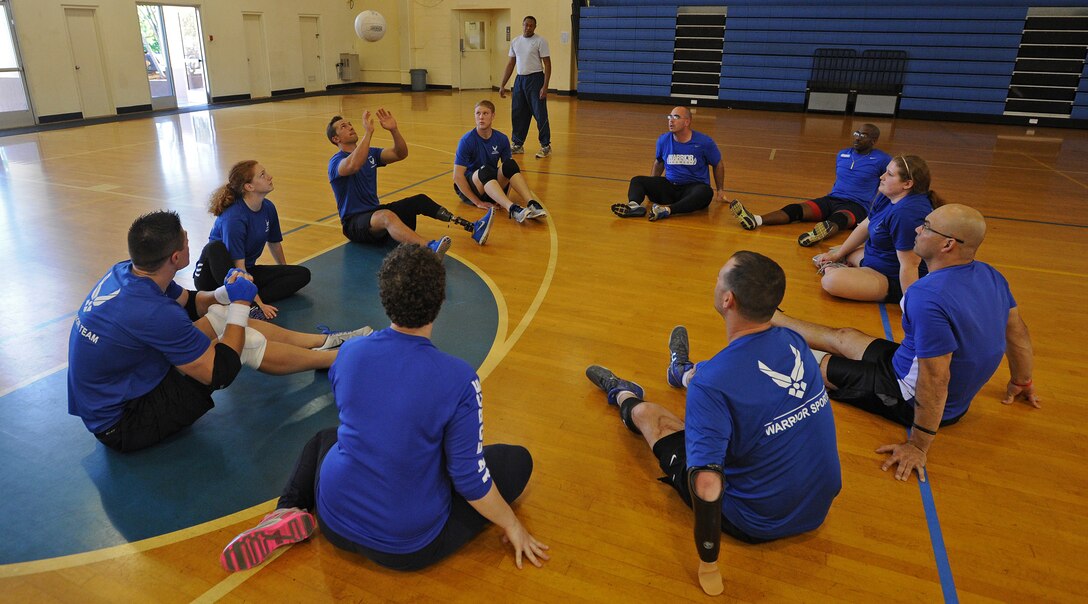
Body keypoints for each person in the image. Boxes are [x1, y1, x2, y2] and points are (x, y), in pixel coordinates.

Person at [220, 244, 549, 573]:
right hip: (405, 546)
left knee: (325, 437)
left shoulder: (349, 354)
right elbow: (469, 479)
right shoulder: (459, 379)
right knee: (516, 461)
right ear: (440, 301)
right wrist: (513, 526)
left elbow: (372, 416)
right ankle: (299, 512)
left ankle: (288, 509)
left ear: (385, 298)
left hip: (334, 519)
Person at [585, 251, 841, 596]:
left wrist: (709, 561)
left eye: (719, 277)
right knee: (718, 391)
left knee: (654, 419)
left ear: (727, 299)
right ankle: (682, 372)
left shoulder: (713, 383)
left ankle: (622, 394)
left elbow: (706, 486)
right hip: (817, 508)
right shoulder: (793, 342)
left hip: (754, 521)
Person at [771, 204, 1040, 483]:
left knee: (796, 359)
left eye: (926, 226)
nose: (917, 229)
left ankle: (760, 333)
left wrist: (918, 445)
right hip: (905, 364)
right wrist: (1022, 380)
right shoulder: (990, 275)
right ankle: (771, 318)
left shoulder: (927, 296)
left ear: (948, 244)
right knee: (844, 336)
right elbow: (1017, 332)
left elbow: (936, 377)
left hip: (907, 396)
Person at [68, 211, 372, 453]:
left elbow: (189, 302)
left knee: (220, 314)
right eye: (185, 240)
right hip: (124, 423)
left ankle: (327, 342)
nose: (190, 241)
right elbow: (219, 373)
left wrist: (226, 294)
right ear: (175, 257)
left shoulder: (128, 272)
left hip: (122, 388)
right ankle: (341, 358)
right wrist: (242, 303)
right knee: (245, 341)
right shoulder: (151, 311)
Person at [327, 109, 494, 252]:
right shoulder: (336, 162)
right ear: (336, 139)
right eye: (343, 126)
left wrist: (394, 130)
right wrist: (368, 133)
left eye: (349, 124)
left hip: (373, 213)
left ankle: (472, 227)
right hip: (354, 223)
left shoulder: (370, 153)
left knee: (418, 201)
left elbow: (400, 154)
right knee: (387, 216)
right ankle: (429, 247)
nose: (350, 127)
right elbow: (353, 165)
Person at [728, 124, 892, 247]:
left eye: (863, 135)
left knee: (839, 219)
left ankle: (818, 234)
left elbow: (890, 183)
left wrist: (880, 210)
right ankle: (756, 220)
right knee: (796, 209)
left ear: (873, 140)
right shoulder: (842, 154)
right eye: (856, 133)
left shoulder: (882, 159)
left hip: (857, 205)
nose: (857, 137)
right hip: (831, 199)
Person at [809, 154, 940, 303]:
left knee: (831, 281)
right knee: (840, 251)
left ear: (908, 184)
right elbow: (866, 224)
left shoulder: (907, 215)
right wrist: (838, 254)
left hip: (892, 277)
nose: (881, 177)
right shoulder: (888, 194)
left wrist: (910, 306)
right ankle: (846, 265)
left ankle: (837, 270)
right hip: (877, 257)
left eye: (889, 174)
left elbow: (910, 265)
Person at [193, 160, 310, 320]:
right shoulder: (234, 218)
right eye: (262, 175)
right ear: (249, 187)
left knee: (301, 274)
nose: (270, 177)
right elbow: (237, 266)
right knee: (215, 247)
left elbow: (274, 243)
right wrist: (258, 304)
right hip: (214, 279)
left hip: (244, 272)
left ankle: (234, 301)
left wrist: (285, 271)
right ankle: (245, 303)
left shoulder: (268, 207)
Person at [611, 106, 726, 222]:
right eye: (670, 117)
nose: (671, 120)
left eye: (676, 117)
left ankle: (667, 210)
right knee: (637, 180)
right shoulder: (663, 140)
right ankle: (633, 206)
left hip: (693, 188)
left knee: (705, 192)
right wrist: (652, 184)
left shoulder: (704, 142)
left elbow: (718, 164)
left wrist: (720, 190)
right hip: (670, 186)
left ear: (687, 122)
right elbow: (659, 162)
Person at [453, 100, 547, 224]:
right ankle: (512, 209)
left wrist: (502, 196)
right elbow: (457, 176)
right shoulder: (466, 140)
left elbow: (509, 173)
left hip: (491, 184)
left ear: (493, 116)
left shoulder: (501, 138)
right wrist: (477, 202)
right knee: (485, 169)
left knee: (510, 164)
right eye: (478, 113)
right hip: (474, 187)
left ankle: (531, 203)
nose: (481, 117)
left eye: (485, 113)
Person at [499, 16, 552, 159]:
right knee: (518, 113)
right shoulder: (515, 41)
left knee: (539, 113)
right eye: (526, 25)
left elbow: (547, 64)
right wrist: (503, 84)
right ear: (522, 25)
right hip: (520, 80)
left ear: (535, 27)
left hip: (536, 79)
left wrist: (545, 86)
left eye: (531, 25)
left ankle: (545, 145)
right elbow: (511, 64)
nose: (528, 27)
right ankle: (517, 144)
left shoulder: (540, 41)